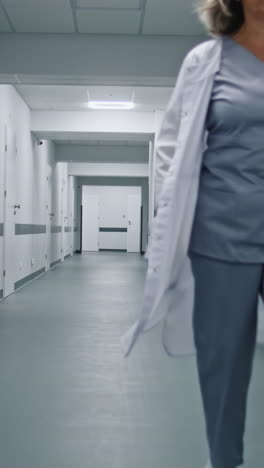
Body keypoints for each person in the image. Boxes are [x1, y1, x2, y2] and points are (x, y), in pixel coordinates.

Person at [121, 1, 264, 468]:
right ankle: (225, 461)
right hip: (220, 239)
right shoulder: (207, 61)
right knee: (223, 370)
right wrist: (169, 211)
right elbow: (170, 145)